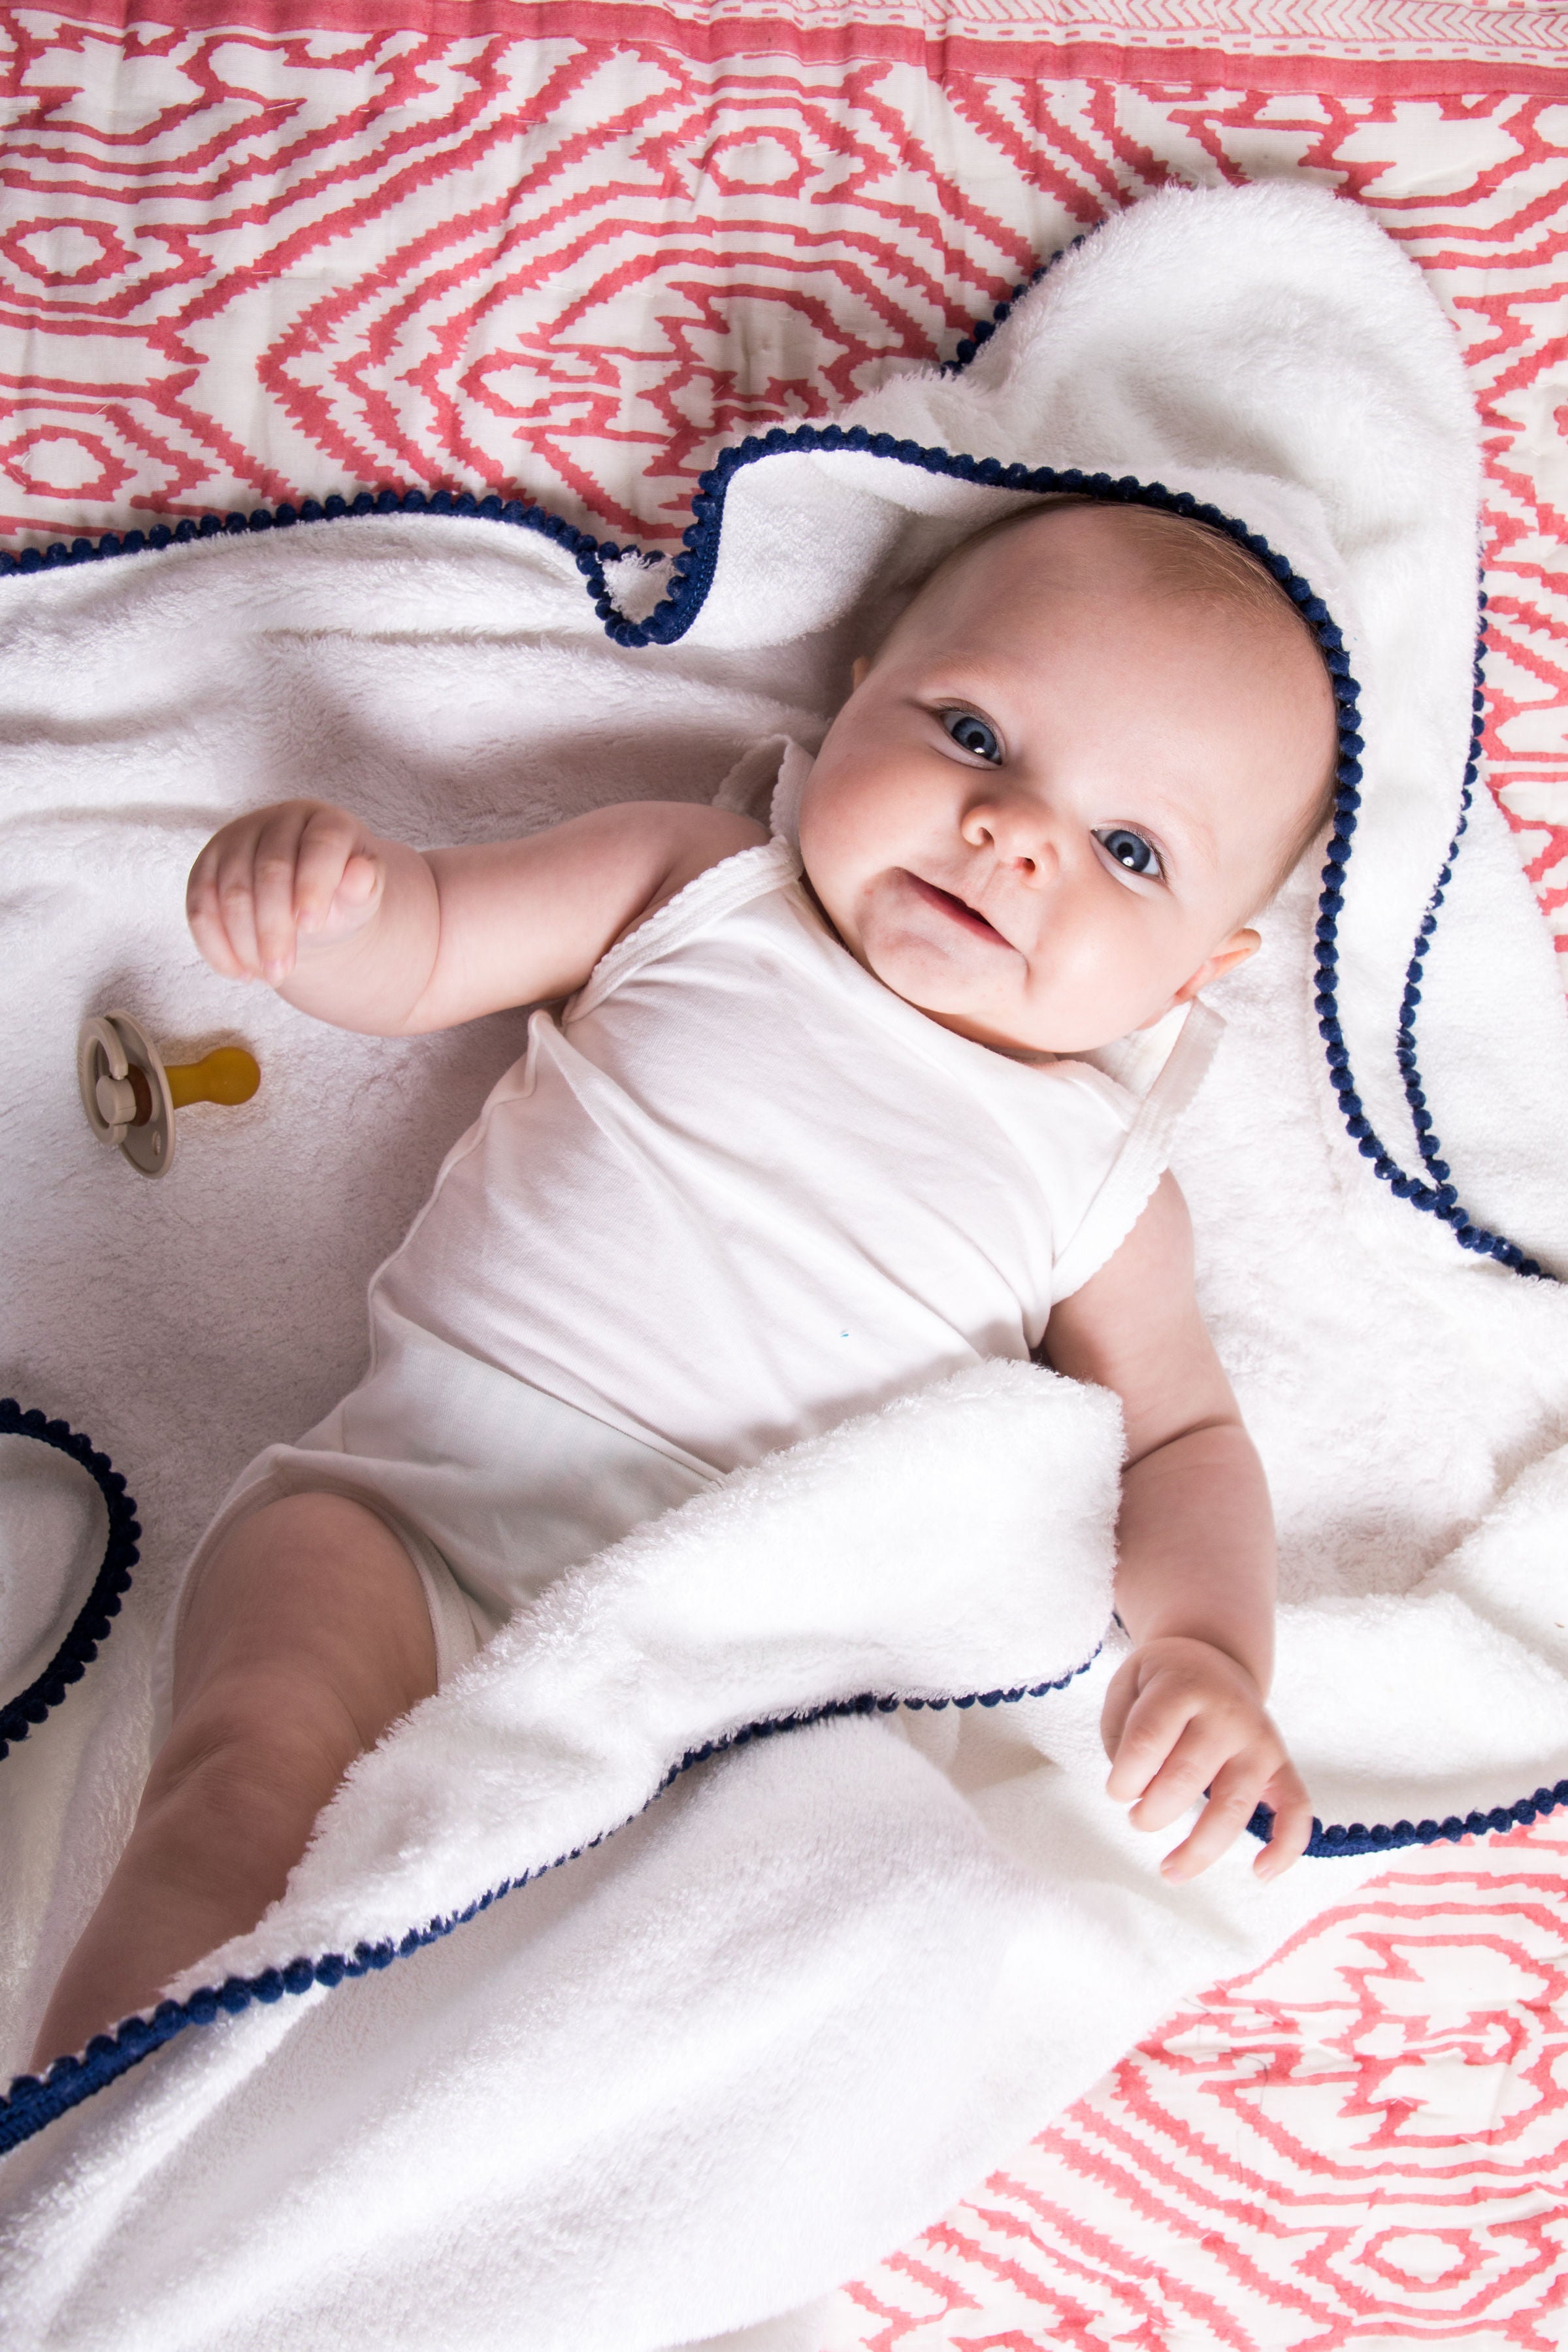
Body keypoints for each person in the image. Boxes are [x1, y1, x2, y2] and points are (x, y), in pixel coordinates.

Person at [32, 495, 1339, 2068]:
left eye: (1130, 852)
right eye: (975, 731)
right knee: (249, 1780)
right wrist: (331, 908)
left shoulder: (1107, 1186)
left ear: (1204, 969)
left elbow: (1184, 1440)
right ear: (856, 690)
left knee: (655, 2000)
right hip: (410, 1520)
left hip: (721, 1688)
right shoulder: (696, 886)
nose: (1017, 834)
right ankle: (94, 2181)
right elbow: (432, 944)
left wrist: (1206, 1654)